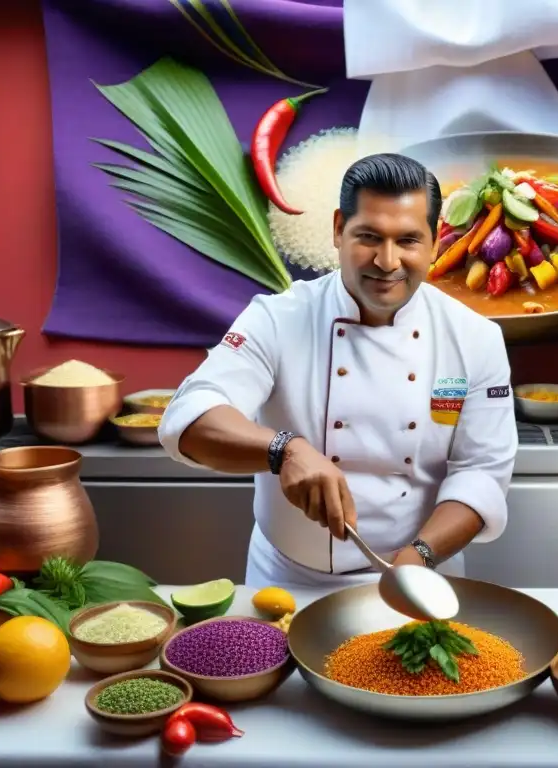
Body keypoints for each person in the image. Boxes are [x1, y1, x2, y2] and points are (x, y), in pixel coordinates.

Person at [158, 153, 518, 588]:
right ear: (337, 230)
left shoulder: (475, 338)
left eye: (408, 240)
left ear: (435, 242)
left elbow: (481, 473)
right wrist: (284, 450)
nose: (387, 261)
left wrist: (417, 560)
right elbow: (190, 417)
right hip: (287, 582)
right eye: (369, 236)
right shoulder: (278, 318)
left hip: (420, 577)